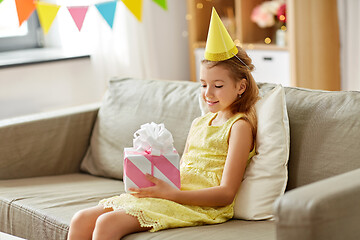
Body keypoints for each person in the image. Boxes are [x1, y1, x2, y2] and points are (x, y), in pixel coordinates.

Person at [67, 8, 259, 240]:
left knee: (108, 223)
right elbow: (182, 169)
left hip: (198, 203)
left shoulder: (239, 127)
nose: (208, 93)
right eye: (203, 84)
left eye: (218, 85)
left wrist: (171, 194)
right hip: (173, 192)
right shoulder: (200, 122)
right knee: (81, 219)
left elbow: (226, 194)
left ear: (241, 87)